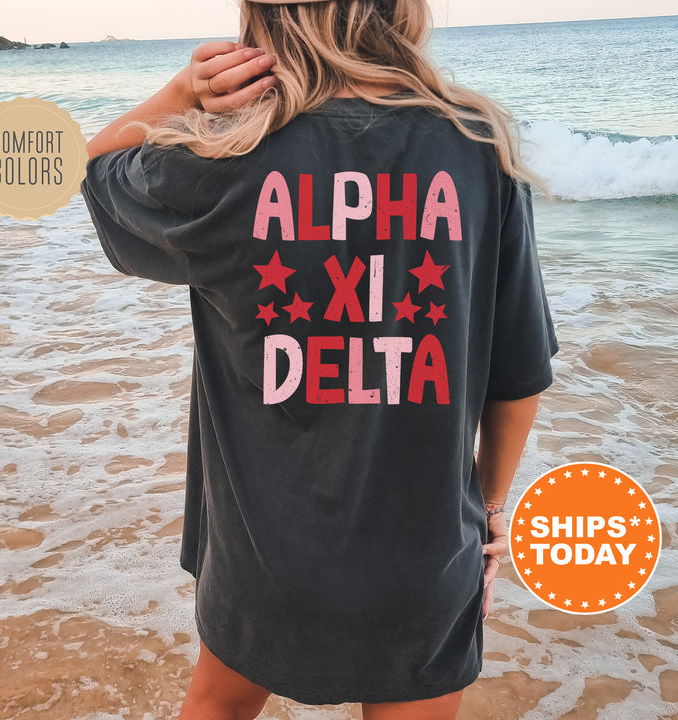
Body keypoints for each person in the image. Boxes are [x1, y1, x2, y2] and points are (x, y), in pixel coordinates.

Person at [80, 0, 559, 718]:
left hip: (260, 557)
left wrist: (183, 95)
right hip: (422, 555)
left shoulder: (221, 157)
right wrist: (492, 509)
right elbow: (519, 374)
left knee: (216, 704)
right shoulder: (477, 146)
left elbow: (91, 169)